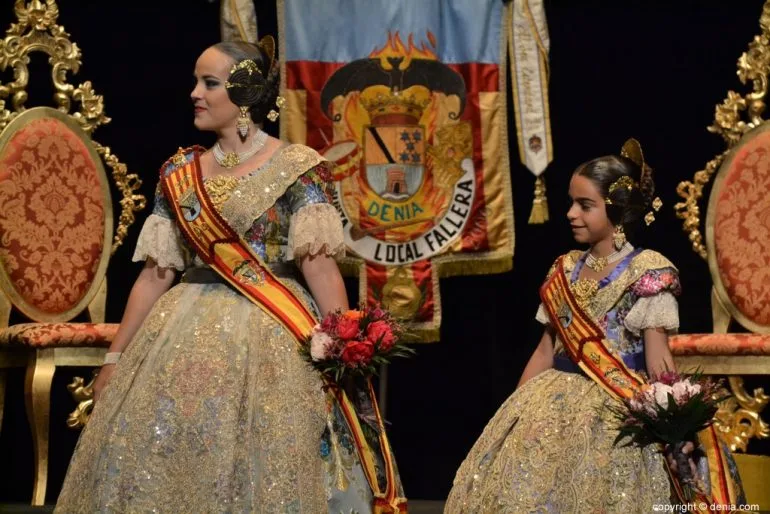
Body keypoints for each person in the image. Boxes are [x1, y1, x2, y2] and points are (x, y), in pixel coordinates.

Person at [55, 37, 406, 513]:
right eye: (196, 81)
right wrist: (115, 360)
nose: (195, 93)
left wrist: (345, 347)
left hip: (275, 332)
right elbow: (155, 277)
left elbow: (318, 264)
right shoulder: (179, 173)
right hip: (177, 333)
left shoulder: (297, 167)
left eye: (210, 83)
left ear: (244, 95)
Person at [444, 140, 743, 513]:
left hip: (616, 407)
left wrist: (672, 419)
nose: (571, 213)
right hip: (548, 406)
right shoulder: (564, 269)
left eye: (585, 206)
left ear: (617, 211)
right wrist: (511, 416)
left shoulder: (647, 270)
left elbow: (658, 359)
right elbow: (544, 350)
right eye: (571, 202)